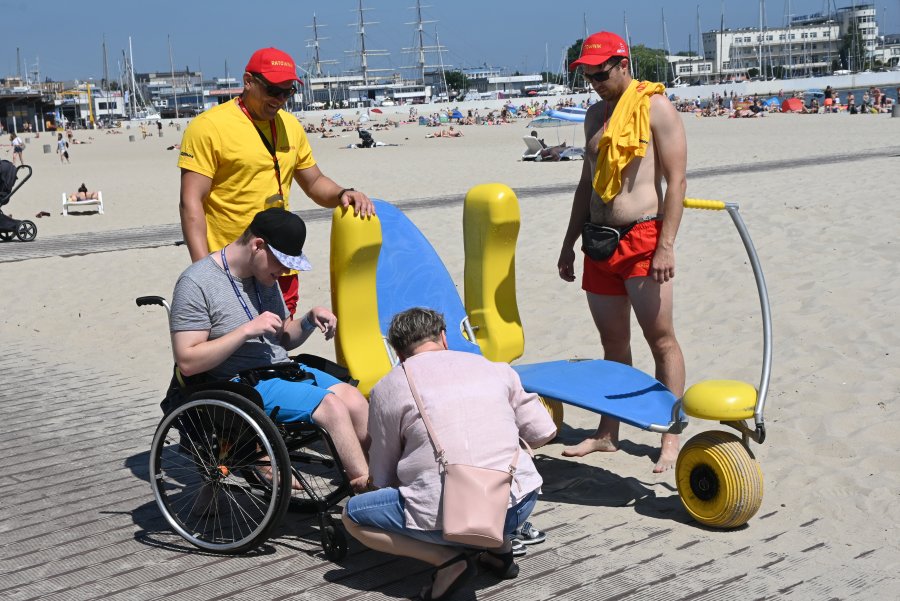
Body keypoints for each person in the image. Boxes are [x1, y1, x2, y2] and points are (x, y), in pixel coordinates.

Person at [342, 308, 556, 600]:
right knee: (493, 479)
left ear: (397, 352)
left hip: (454, 514)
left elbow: (383, 475)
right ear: (443, 337)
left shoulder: (389, 387)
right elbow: (544, 431)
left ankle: (448, 561)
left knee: (353, 516)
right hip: (517, 504)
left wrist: (367, 482)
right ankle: (500, 551)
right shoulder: (495, 368)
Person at [556, 31, 687, 473]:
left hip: (644, 239)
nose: (594, 81)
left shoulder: (656, 107)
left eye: (601, 72)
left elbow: (676, 183)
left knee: (661, 340)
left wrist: (665, 246)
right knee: (613, 344)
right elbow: (585, 184)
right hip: (598, 241)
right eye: (587, 74)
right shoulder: (594, 114)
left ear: (623, 63)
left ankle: (670, 435)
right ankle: (608, 433)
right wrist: (569, 241)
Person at [169, 207, 371, 492]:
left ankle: (375, 477)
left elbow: (284, 337)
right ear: (257, 245)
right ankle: (365, 490)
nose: (285, 271)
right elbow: (188, 360)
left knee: (354, 399)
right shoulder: (197, 282)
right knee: (332, 407)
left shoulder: (264, 277)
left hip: (281, 369)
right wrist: (246, 330)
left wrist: (310, 319)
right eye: (282, 262)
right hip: (240, 382)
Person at [178, 47, 374, 317]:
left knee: (279, 346)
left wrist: (343, 192)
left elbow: (314, 181)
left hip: (282, 263)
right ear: (248, 81)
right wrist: (203, 272)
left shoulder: (290, 126)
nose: (280, 99)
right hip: (233, 267)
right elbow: (191, 203)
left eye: (288, 91)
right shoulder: (208, 127)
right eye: (273, 90)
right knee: (238, 351)